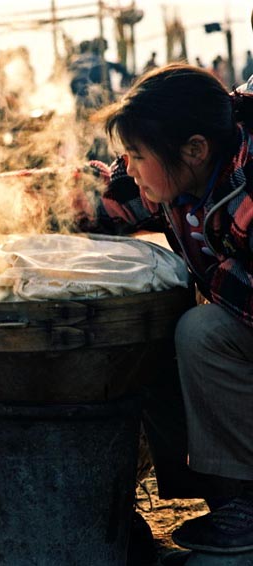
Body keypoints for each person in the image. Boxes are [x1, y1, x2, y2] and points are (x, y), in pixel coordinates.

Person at [82, 63, 253, 564]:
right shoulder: (184, 171)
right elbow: (107, 198)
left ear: (195, 149)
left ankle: (245, 499)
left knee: (200, 330)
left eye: (137, 156)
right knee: (170, 325)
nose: (130, 167)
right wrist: (12, 199)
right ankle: (228, 498)